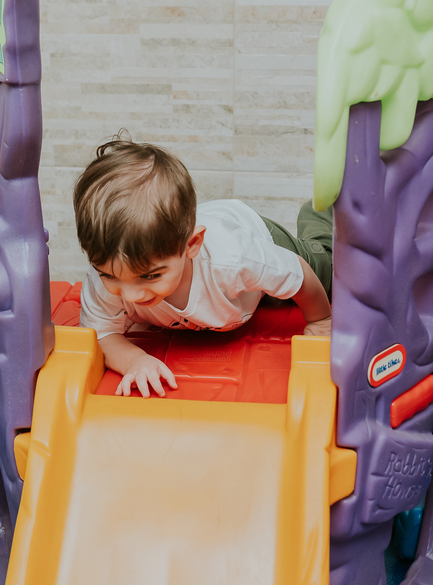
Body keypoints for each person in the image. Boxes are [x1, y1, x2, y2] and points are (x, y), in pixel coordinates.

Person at [75, 134, 333, 398]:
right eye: (109, 275)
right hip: (233, 287)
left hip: (256, 234)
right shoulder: (106, 275)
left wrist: (322, 320)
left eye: (150, 276)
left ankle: (319, 212)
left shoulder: (235, 258)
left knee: (333, 269)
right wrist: (132, 360)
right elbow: (101, 334)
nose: (130, 295)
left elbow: (299, 274)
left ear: (192, 245)